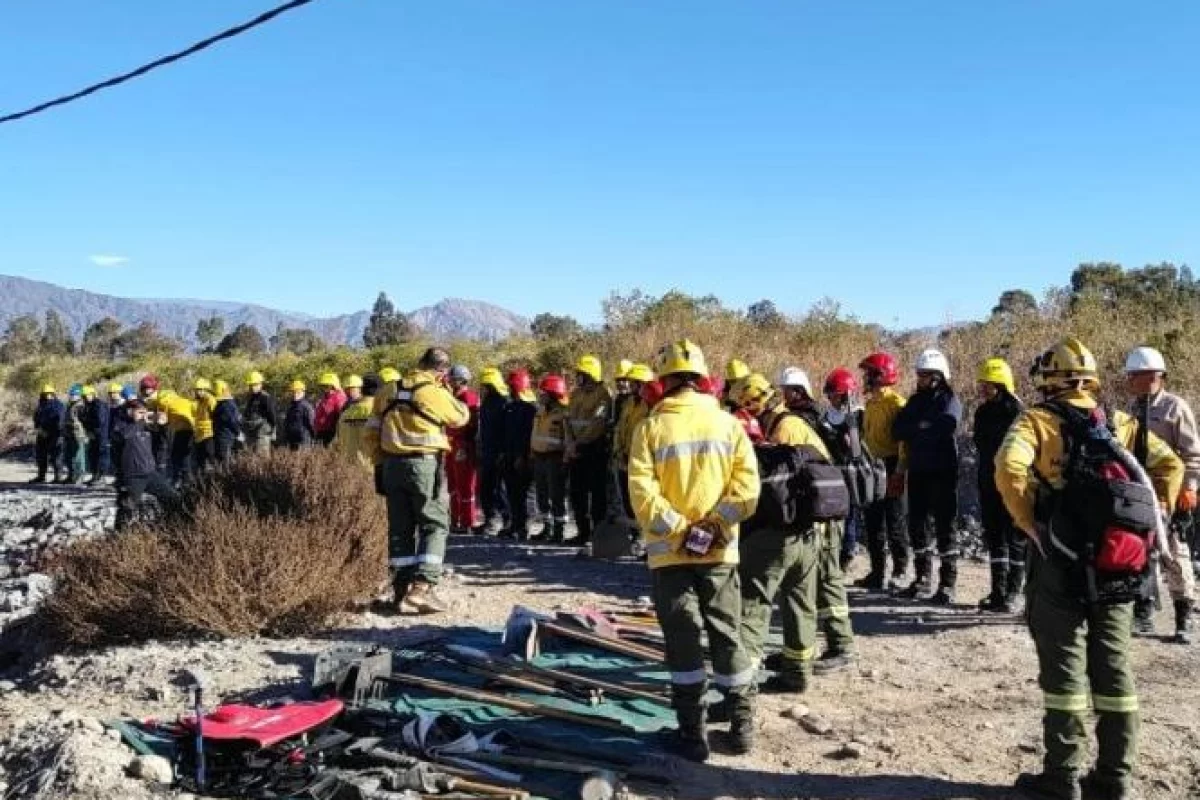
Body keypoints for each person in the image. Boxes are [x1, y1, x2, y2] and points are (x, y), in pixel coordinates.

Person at [995, 337, 1182, 800]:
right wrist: (1150, 519)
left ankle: (1061, 779)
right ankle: (1115, 777)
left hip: (1060, 559)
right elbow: (1170, 464)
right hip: (1119, 563)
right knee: (1114, 667)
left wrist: (1029, 524)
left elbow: (1007, 467)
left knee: (1063, 671)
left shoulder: (1036, 421)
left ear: (1050, 379)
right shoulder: (1119, 423)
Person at [628, 339, 760, 762]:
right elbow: (747, 491)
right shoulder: (728, 425)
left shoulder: (649, 427)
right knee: (728, 634)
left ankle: (692, 736)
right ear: (702, 378)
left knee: (682, 641)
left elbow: (641, 494)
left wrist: (681, 530)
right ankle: (741, 728)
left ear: (663, 381)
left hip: (670, 556)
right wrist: (714, 524)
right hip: (720, 554)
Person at [735, 371, 845, 692]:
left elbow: (781, 486)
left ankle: (744, 687)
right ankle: (797, 671)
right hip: (806, 524)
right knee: (800, 601)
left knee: (757, 604)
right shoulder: (783, 423)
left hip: (801, 524)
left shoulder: (785, 427)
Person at [364, 347, 469, 614]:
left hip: (390, 466)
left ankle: (399, 592)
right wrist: (445, 389)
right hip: (422, 465)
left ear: (419, 363)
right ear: (442, 371)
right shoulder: (433, 392)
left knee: (400, 528)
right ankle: (422, 588)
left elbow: (371, 432)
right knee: (434, 524)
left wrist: (378, 464)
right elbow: (460, 417)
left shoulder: (388, 390)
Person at [775, 367, 858, 672]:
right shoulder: (814, 417)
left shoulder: (794, 423)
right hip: (825, 501)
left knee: (827, 577)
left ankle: (841, 646)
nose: (785, 396)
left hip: (822, 507)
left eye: (789, 390)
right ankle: (814, 648)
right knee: (819, 578)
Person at [1124, 346, 1197, 643]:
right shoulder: (1132, 410)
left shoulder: (1174, 408)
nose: (1129, 380)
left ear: (1152, 376)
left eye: (1133, 375)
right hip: (1140, 493)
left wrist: (1190, 490)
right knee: (1140, 553)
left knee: (1174, 553)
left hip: (1170, 494)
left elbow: (1193, 455)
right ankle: (1143, 614)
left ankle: (1183, 617)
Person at [893, 349, 962, 604]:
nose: (919, 378)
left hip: (943, 471)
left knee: (946, 527)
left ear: (937, 376)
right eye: (918, 374)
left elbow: (948, 425)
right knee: (918, 526)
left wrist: (920, 428)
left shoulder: (949, 399)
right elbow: (898, 429)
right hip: (919, 470)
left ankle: (947, 584)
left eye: (923, 375)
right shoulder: (915, 401)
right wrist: (922, 427)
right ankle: (922, 579)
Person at [974, 358, 1025, 613]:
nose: (983, 389)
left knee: (1014, 538)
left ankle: (1015, 592)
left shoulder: (1016, 412)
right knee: (994, 537)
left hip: (1012, 484)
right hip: (988, 480)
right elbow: (980, 445)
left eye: (988, 384)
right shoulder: (982, 412)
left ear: (1001, 384)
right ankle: (998, 591)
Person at [857, 352, 910, 592]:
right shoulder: (869, 403)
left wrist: (899, 471)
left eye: (869, 374)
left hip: (891, 466)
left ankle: (899, 571)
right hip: (871, 467)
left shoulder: (897, 404)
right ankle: (877, 572)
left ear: (881, 376)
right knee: (873, 522)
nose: (865, 378)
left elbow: (904, 442)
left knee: (895, 520)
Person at [564, 355, 613, 546]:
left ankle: (597, 536)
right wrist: (570, 443)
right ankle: (582, 532)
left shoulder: (602, 394)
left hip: (594, 451)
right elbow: (568, 420)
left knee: (597, 495)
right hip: (576, 450)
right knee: (577, 493)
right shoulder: (575, 394)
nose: (578, 377)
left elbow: (597, 425)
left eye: (581, 374)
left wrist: (579, 444)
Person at [111, 399, 181, 531]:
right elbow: (125, 435)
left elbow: (164, 442)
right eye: (140, 412)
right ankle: (119, 535)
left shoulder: (145, 427)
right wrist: (142, 421)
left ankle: (170, 525)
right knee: (127, 507)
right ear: (129, 411)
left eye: (145, 412)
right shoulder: (120, 425)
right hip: (132, 475)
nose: (144, 415)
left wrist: (163, 426)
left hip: (150, 473)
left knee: (173, 498)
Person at [823, 367, 866, 571]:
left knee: (850, 512)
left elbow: (857, 449)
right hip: (831, 472)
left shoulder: (857, 416)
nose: (832, 399)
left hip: (851, 471)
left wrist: (851, 430)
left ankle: (848, 550)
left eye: (836, 395)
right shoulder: (825, 417)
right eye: (830, 395)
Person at [611, 363, 656, 532]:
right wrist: (618, 450)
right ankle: (635, 534)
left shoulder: (652, 406)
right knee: (628, 500)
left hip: (641, 461)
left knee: (643, 500)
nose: (631, 385)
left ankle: (645, 538)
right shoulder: (629, 403)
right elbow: (620, 428)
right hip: (624, 460)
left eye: (635, 383)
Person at [529, 373, 570, 543]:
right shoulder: (540, 411)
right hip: (539, 458)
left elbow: (568, 438)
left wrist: (565, 459)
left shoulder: (563, 414)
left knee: (557, 495)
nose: (541, 395)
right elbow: (535, 434)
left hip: (555, 458)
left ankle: (559, 531)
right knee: (542, 494)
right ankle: (547, 528)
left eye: (544, 393)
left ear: (553, 394)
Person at [500, 369, 538, 541]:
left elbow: (529, 435)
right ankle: (515, 525)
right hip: (508, 455)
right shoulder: (509, 407)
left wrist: (522, 456)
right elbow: (505, 433)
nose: (509, 389)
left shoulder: (530, 408)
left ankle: (524, 527)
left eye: (512, 386)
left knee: (525, 494)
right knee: (512, 493)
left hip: (522, 458)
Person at [446, 365, 482, 535]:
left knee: (466, 485)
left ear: (462, 380)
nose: (450, 381)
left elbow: (472, 425)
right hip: (450, 444)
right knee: (453, 485)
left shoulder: (469, 396)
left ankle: (468, 521)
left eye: (453, 378)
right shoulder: (452, 396)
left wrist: (465, 446)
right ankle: (455, 519)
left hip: (463, 445)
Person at [477, 367, 511, 534]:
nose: (485, 387)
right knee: (485, 488)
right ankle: (490, 519)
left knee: (500, 489)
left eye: (488, 384)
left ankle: (506, 520)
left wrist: (503, 452)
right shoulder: (486, 402)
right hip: (486, 451)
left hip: (499, 453)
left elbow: (508, 431)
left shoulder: (505, 403)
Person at [334, 374, 378, 473]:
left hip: (349, 469)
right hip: (371, 470)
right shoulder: (380, 413)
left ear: (361, 390)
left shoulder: (345, 414)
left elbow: (336, 442)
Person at [137, 375, 172, 475]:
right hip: (149, 431)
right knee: (150, 456)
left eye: (149, 388)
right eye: (144, 388)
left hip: (161, 430)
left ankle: (162, 478)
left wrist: (151, 416)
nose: (146, 391)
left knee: (161, 456)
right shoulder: (142, 400)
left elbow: (163, 416)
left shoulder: (161, 399)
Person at [31, 384, 65, 484]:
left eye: (49, 394)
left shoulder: (58, 405)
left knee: (56, 456)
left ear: (53, 394)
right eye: (45, 394)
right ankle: (41, 476)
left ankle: (58, 477)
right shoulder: (41, 405)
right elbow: (36, 418)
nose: (47, 396)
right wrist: (38, 428)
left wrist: (56, 433)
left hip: (54, 434)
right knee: (41, 456)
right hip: (42, 434)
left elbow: (60, 420)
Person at [241, 371, 277, 455]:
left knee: (262, 456)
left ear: (261, 384)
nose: (253, 387)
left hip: (262, 432)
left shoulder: (266, 397)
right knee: (251, 455)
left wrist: (273, 429)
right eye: (251, 385)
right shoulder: (251, 398)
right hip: (251, 431)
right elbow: (247, 413)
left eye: (255, 385)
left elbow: (272, 415)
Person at [80, 385, 110, 486]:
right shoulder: (88, 405)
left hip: (101, 435)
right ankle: (95, 476)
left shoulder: (99, 405)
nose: (85, 398)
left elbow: (99, 421)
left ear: (93, 394)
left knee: (101, 456)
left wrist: (92, 431)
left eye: (87, 395)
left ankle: (101, 477)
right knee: (93, 455)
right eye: (84, 396)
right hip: (93, 434)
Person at [62, 384, 88, 484]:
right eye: (72, 395)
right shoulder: (69, 406)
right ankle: (71, 475)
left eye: (75, 395)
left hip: (78, 435)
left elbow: (83, 421)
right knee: (69, 456)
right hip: (69, 434)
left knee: (79, 456)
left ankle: (80, 476)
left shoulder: (81, 406)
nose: (73, 396)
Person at [212, 380, 242, 463]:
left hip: (225, 437)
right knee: (223, 461)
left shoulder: (225, 405)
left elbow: (232, 421)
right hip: (223, 436)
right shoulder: (224, 404)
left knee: (225, 462)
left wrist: (238, 432)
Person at [314, 373, 347, 447]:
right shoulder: (325, 397)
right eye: (323, 385)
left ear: (333, 385)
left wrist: (337, 436)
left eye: (326, 385)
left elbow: (341, 417)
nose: (324, 388)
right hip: (321, 433)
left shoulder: (339, 397)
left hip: (331, 434)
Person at [191, 378, 217, 473]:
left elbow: (215, 417)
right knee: (200, 460)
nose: (198, 392)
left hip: (209, 434)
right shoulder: (199, 402)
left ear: (206, 390)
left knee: (211, 457)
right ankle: (201, 479)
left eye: (200, 390)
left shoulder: (211, 400)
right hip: (200, 435)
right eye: (197, 390)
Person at [283, 380, 316, 450]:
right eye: (293, 392)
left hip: (303, 442)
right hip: (292, 441)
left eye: (298, 392)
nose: (295, 394)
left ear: (303, 393)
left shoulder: (307, 407)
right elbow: (286, 423)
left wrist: (313, 439)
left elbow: (312, 424)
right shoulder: (291, 407)